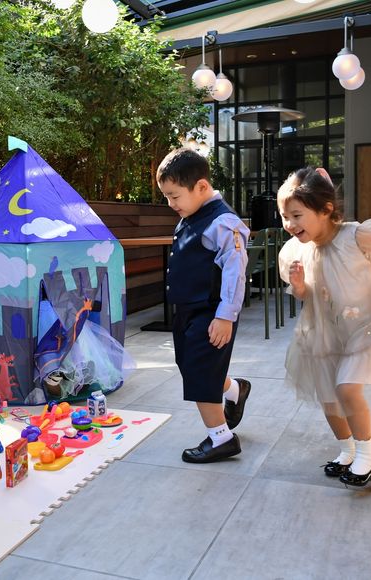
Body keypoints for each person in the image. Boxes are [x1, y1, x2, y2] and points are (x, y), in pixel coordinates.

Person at [277, 166, 371, 487]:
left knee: (347, 388)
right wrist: (299, 285)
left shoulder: (357, 236)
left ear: (326, 209)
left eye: (297, 215)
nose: (289, 224)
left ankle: (366, 456)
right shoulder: (297, 250)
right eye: (285, 216)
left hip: (366, 328)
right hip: (325, 332)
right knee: (329, 397)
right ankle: (347, 451)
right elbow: (305, 295)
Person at [156, 148, 251, 463]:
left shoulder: (223, 222)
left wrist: (225, 316)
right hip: (187, 310)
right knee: (191, 365)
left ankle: (222, 438)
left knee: (199, 372)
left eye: (174, 196)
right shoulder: (191, 214)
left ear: (201, 187)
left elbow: (235, 273)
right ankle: (234, 390)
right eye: (167, 197)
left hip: (211, 312)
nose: (171, 204)